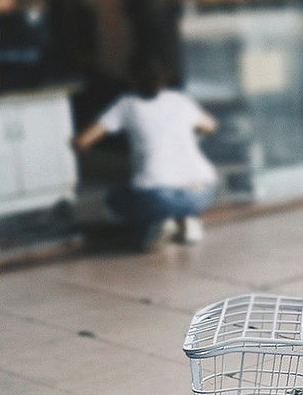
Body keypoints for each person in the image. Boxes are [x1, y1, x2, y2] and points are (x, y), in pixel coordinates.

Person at [75, 53, 218, 250]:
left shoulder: (126, 104)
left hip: (158, 198)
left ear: (131, 77)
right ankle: (185, 222)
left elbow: (82, 142)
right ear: (165, 77)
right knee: (164, 190)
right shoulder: (179, 100)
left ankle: (156, 225)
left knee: (115, 198)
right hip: (203, 191)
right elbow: (210, 126)